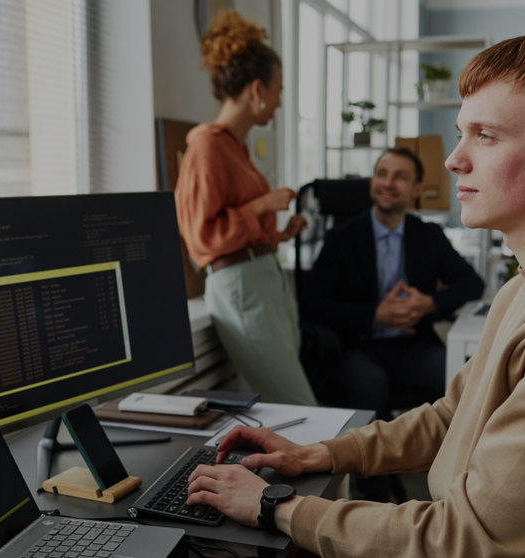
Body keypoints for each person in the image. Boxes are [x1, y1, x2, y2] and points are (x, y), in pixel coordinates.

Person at [186, 35, 525, 557]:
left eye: (485, 136)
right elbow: (451, 415)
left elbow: (462, 538)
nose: (454, 159)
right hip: (362, 347)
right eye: (462, 133)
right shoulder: (516, 290)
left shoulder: (434, 242)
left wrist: (276, 505)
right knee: (364, 378)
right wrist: (318, 455)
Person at [175, 11, 317, 406]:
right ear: (257, 89)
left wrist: (278, 233)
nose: (278, 103)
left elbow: (237, 227)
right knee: (298, 403)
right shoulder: (206, 145)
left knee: (288, 400)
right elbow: (202, 238)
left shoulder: (236, 146)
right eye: (278, 90)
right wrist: (263, 204)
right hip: (240, 285)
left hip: (260, 277)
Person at [300, 147, 484, 421]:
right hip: (359, 346)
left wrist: (428, 303)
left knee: (469, 380)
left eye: (399, 177)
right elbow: (311, 304)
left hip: (413, 345)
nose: (387, 183)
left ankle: (453, 458)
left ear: (416, 188)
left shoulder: (428, 235)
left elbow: (472, 283)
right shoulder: (342, 238)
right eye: (381, 174)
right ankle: (371, 461)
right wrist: (374, 315)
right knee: (369, 387)